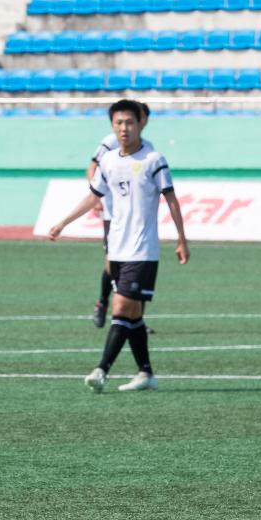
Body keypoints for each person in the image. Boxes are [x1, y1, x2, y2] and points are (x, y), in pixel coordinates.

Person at [49, 99, 189, 393]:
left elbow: (171, 199)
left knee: (121, 306)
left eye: (130, 122)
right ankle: (145, 373)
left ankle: (101, 370)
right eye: (119, 123)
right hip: (117, 247)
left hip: (143, 249)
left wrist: (181, 239)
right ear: (112, 126)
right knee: (133, 315)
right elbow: (92, 196)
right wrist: (63, 222)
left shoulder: (153, 159)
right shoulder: (110, 161)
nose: (124, 128)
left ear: (141, 123)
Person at [87, 101, 153, 328]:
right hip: (113, 216)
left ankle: (136, 318)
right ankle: (103, 302)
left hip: (137, 223)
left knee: (138, 269)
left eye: (141, 118)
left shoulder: (149, 150)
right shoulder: (110, 143)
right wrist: (98, 197)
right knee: (111, 265)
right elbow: (92, 167)